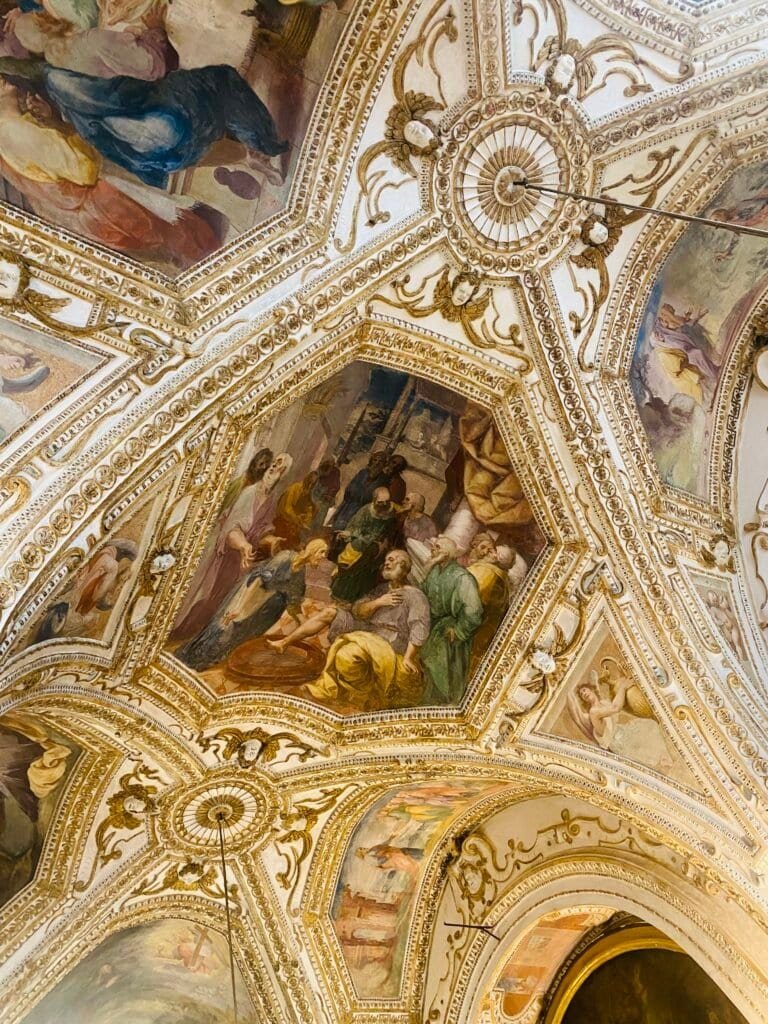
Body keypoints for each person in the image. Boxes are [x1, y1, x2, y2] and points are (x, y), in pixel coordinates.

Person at [0, 57, 288, 189]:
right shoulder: (56, 81)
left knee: (192, 91)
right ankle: (266, 146)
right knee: (221, 78)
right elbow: (112, 96)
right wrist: (152, 87)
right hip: (162, 128)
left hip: (146, 158)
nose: (3, 84)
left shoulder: (43, 101)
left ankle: (250, 155)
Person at [176, 538, 328, 671]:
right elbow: (258, 580)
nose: (323, 557)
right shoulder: (285, 557)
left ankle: (206, 662)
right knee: (225, 626)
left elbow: (293, 603)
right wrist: (239, 607)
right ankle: (190, 660)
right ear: (312, 550)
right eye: (322, 552)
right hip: (250, 595)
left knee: (239, 637)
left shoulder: (300, 574)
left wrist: (305, 626)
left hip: (262, 608)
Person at [306, 550, 429, 710]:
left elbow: (419, 627)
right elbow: (358, 610)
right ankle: (358, 692)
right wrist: (378, 602)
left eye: (391, 560)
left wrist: (409, 657)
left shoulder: (415, 595)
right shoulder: (381, 590)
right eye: (386, 560)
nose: (387, 563)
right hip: (369, 636)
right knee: (345, 653)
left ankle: (360, 695)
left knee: (347, 655)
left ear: (403, 567)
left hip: (392, 645)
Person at [419, 535, 483, 705]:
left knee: (447, 672)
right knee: (427, 667)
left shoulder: (462, 577)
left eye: (437, 547)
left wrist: (459, 630)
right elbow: (422, 593)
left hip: (451, 629)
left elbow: (473, 610)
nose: (433, 550)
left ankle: (446, 704)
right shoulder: (434, 571)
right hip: (432, 625)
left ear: (447, 553)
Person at [330, 486, 399, 604]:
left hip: (377, 546)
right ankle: (340, 593)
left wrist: (384, 543)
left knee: (369, 562)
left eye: (386, 502)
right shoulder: (366, 510)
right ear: (374, 500)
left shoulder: (391, 514)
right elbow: (354, 527)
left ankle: (356, 597)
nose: (383, 505)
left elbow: (389, 534)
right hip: (360, 541)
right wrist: (350, 534)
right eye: (380, 502)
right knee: (355, 554)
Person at [466, 539, 510, 669]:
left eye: (490, 550)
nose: (485, 551)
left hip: (473, 632)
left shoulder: (486, 572)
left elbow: (466, 597)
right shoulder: (495, 575)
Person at [331, 450, 388, 530]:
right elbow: (350, 488)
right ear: (371, 461)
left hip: (363, 510)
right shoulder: (363, 473)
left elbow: (372, 497)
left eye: (380, 461)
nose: (377, 463)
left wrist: (361, 494)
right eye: (375, 460)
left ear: (384, 464)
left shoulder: (383, 480)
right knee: (338, 527)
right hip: (349, 506)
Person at [272, 470, 317, 549]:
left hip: (293, 521)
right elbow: (286, 507)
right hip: (283, 518)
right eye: (309, 483)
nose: (310, 486)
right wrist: (297, 519)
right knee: (289, 540)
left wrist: (306, 522)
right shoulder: (295, 488)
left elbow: (308, 508)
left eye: (312, 484)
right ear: (306, 480)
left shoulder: (307, 493)